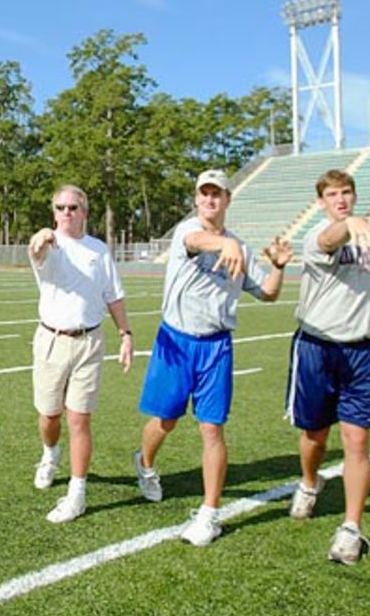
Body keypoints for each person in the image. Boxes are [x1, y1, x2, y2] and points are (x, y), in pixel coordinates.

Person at [132, 169, 291, 546]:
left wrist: (280, 268)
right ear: (196, 199)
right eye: (203, 194)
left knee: (212, 427)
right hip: (176, 340)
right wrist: (224, 246)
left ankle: (209, 513)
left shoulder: (242, 248)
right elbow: (196, 240)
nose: (209, 200)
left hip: (216, 345)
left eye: (216, 194)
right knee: (165, 420)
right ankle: (146, 463)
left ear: (227, 200)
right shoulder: (188, 232)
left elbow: (267, 293)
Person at [285, 168, 370, 565]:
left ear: (354, 195)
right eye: (332, 195)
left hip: (360, 351)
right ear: (322, 202)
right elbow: (330, 238)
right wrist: (351, 224)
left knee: (358, 440)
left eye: (346, 193)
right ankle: (310, 483)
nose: (340, 199)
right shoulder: (318, 235)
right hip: (315, 347)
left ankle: (350, 527)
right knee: (314, 434)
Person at [27, 184, 134, 524]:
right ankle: (49, 454)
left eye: (74, 207)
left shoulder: (99, 251)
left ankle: (77, 492)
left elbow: (112, 295)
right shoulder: (49, 245)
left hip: (89, 341)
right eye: (60, 207)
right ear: (54, 212)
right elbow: (37, 251)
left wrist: (126, 333)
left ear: (85, 213)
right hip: (52, 341)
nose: (67, 212)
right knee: (50, 417)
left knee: (79, 418)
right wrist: (42, 238)